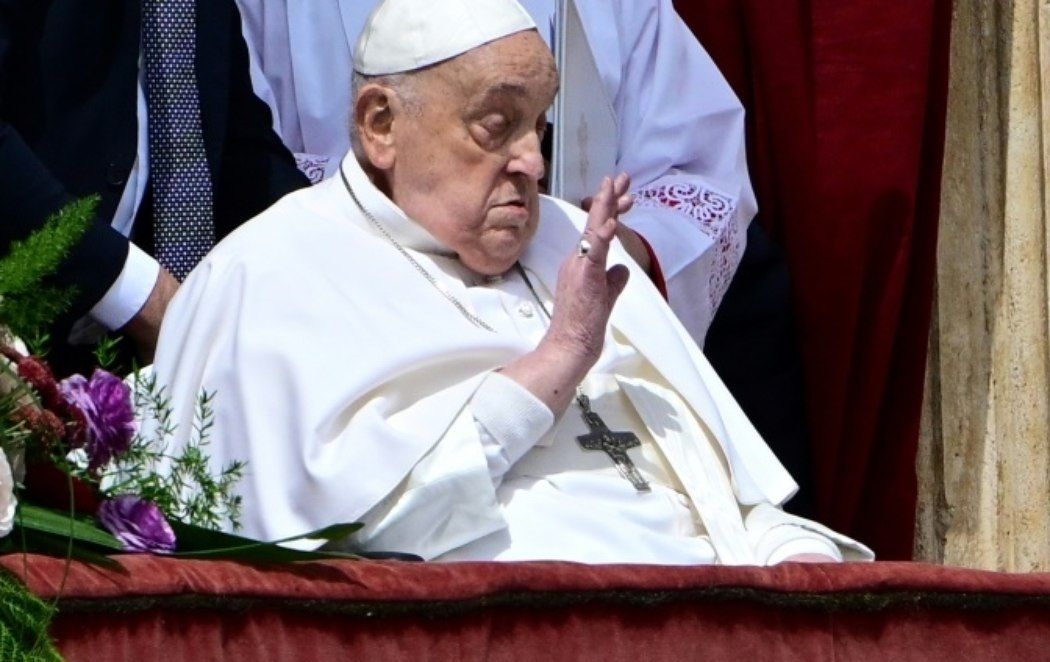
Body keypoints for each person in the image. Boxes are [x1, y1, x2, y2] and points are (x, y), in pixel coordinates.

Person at [155, 0, 870, 565]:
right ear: (380, 125)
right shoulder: (271, 276)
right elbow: (355, 535)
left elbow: (727, 492)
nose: (533, 160)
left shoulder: (569, 238)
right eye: (497, 127)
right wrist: (551, 368)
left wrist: (798, 558)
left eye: (541, 126)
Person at [234, 0, 755, 345]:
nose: (531, 160)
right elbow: (244, 159)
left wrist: (604, 247)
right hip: (366, 314)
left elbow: (698, 167)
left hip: (582, 313)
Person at [0, 0, 309, 368]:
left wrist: (338, 246)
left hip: (134, 352)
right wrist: (140, 292)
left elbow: (238, 147)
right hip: (26, 324)